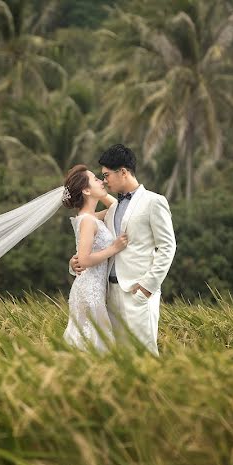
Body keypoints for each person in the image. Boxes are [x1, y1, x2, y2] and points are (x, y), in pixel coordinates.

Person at [70, 144, 176, 355]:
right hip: (108, 295)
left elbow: (167, 246)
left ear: (124, 172)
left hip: (137, 292)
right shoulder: (112, 209)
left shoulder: (154, 202)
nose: (105, 180)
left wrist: (147, 287)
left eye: (107, 175)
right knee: (117, 359)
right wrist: (75, 262)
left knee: (143, 354)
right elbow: (91, 236)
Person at [61, 164, 127, 352]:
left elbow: (116, 206)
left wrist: (99, 190)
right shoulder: (88, 220)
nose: (102, 180)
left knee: (92, 340)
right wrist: (113, 248)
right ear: (86, 189)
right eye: (96, 179)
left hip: (93, 289)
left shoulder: (91, 217)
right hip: (89, 291)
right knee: (93, 342)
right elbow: (84, 260)